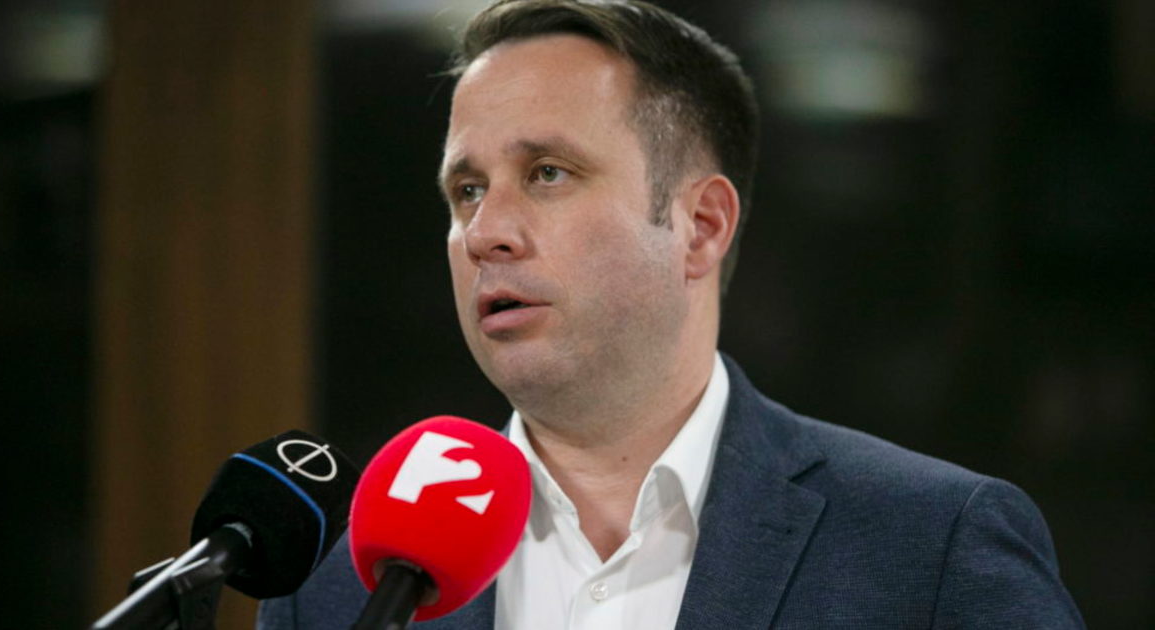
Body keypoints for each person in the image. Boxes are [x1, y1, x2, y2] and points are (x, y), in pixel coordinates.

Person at [260, 1, 1084, 628]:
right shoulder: (334, 586)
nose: (485, 232)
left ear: (701, 226)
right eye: (466, 190)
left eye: (547, 173)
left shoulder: (932, 549)